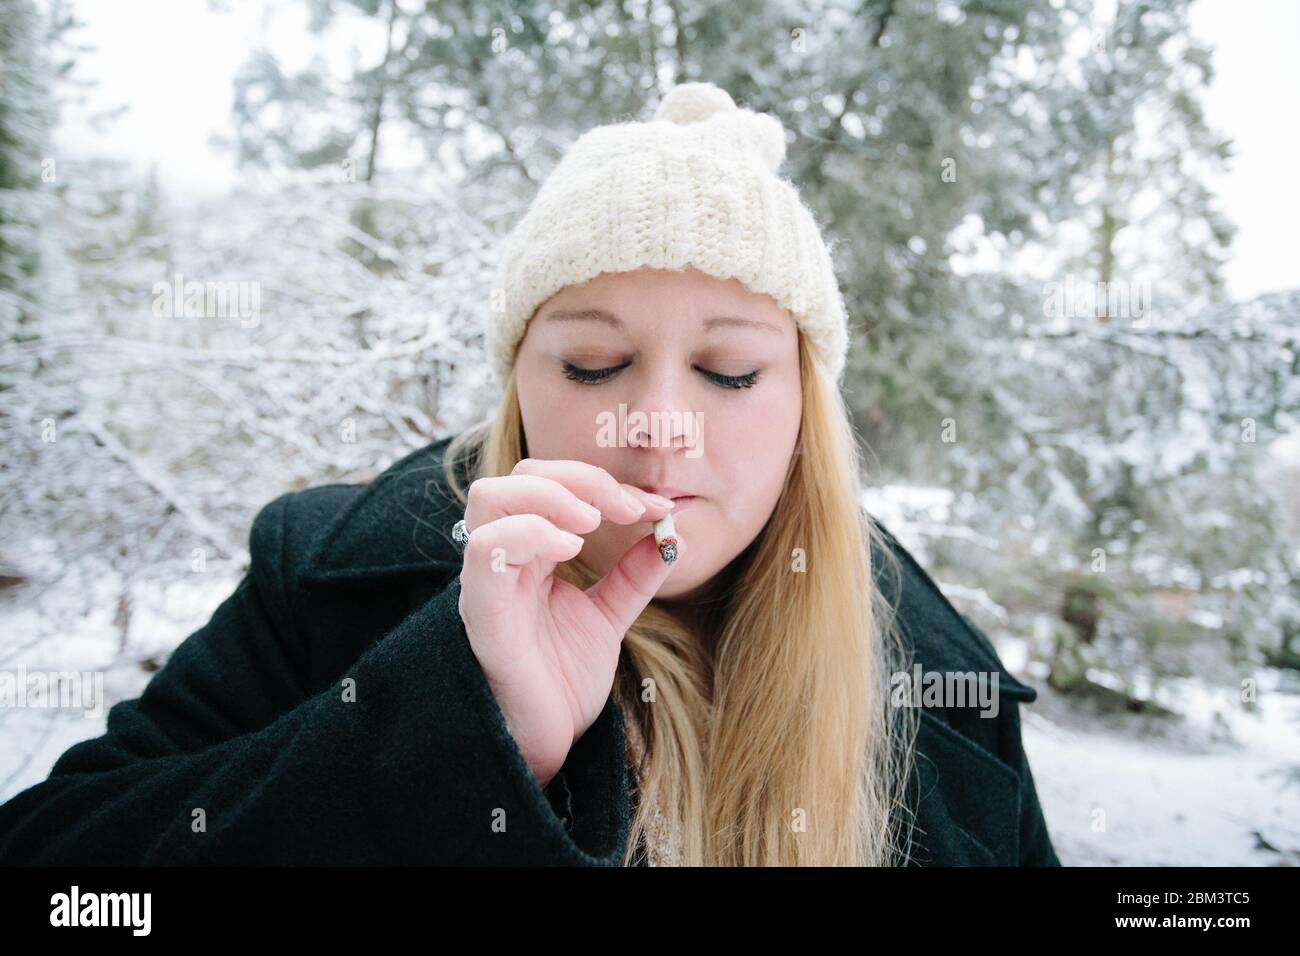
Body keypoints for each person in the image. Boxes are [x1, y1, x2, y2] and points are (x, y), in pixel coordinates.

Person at [0, 82, 1059, 867]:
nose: (658, 428)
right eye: (594, 363)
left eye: (729, 370)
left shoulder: (943, 688)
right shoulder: (324, 582)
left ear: (803, 410)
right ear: (519, 385)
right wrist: (457, 727)